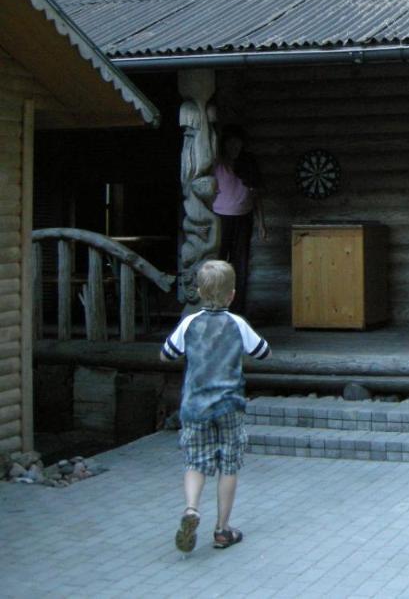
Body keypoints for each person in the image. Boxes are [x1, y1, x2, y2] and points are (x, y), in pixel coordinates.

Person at [160, 259, 271, 552]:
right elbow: (263, 351)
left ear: (198, 291)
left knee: (196, 461)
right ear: (232, 295)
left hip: (195, 406)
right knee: (229, 465)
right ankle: (222, 530)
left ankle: (192, 509)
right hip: (229, 405)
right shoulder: (237, 324)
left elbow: (166, 354)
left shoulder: (189, 323)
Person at [213, 125, 265, 316]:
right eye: (231, 142)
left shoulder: (249, 163)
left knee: (240, 264)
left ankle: (237, 310)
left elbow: (256, 194)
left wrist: (261, 223)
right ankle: (216, 306)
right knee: (218, 263)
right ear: (225, 144)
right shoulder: (218, 164)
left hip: (244, 217)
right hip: (221, 217)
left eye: (238, 142)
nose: (234, 146)